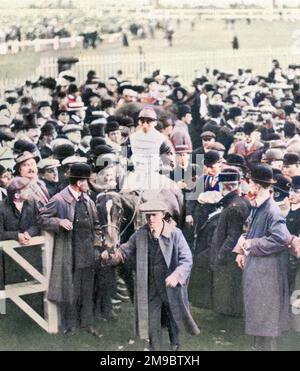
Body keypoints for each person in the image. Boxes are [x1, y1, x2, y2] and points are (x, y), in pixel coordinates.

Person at [101, 200, 200, 351]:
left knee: (174, 317)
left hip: (171, 287)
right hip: (150, 287)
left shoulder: (175, 234)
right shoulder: (140, 235)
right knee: (152, 321)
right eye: (148, 216)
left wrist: (177, 276)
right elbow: (124, 251)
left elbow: (187, 259)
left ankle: (175, 344)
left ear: (163, 215)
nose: (150, 219)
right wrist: (111, 256)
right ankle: (155, 349)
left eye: (154, 215)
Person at [38, 163, 101, 336]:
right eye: (87, 181)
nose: (88, 184)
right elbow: (42, 218)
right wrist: (58, 222)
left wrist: (97, 245)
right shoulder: (59, 199)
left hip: (88, 253)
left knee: (88, 290)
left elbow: (96, 225)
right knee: (71, 290)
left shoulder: (87, 199)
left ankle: (87, 323)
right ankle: (70, 325)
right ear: (79, 182)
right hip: (70, 253)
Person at [234, 165, 291, 351]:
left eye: (249, 182)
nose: (246, 186)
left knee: (267, 325)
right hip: (259, 272)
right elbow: (249, 231)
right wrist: (242, 251)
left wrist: (251, 245)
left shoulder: (272, 211)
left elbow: (280, 239)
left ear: (257, 185)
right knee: (260, 321)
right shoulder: (258, 206)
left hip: (267, 276)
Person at [210, 169, 250, 317]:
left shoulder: (234, 207)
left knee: (229, 290)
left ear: (224, 186)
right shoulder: (239, 202)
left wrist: (219, 257)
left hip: (229, 257)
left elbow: (232, 237)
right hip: (233, 255)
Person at [0, 176, 40, 244]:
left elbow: (37, 224)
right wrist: (17, 236)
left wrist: (29, 233)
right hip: (8, 248)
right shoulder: (1, 208)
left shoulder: (32, 203)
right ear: (17, 195)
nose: (31, 191)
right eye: (27, 189)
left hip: (30, 246)